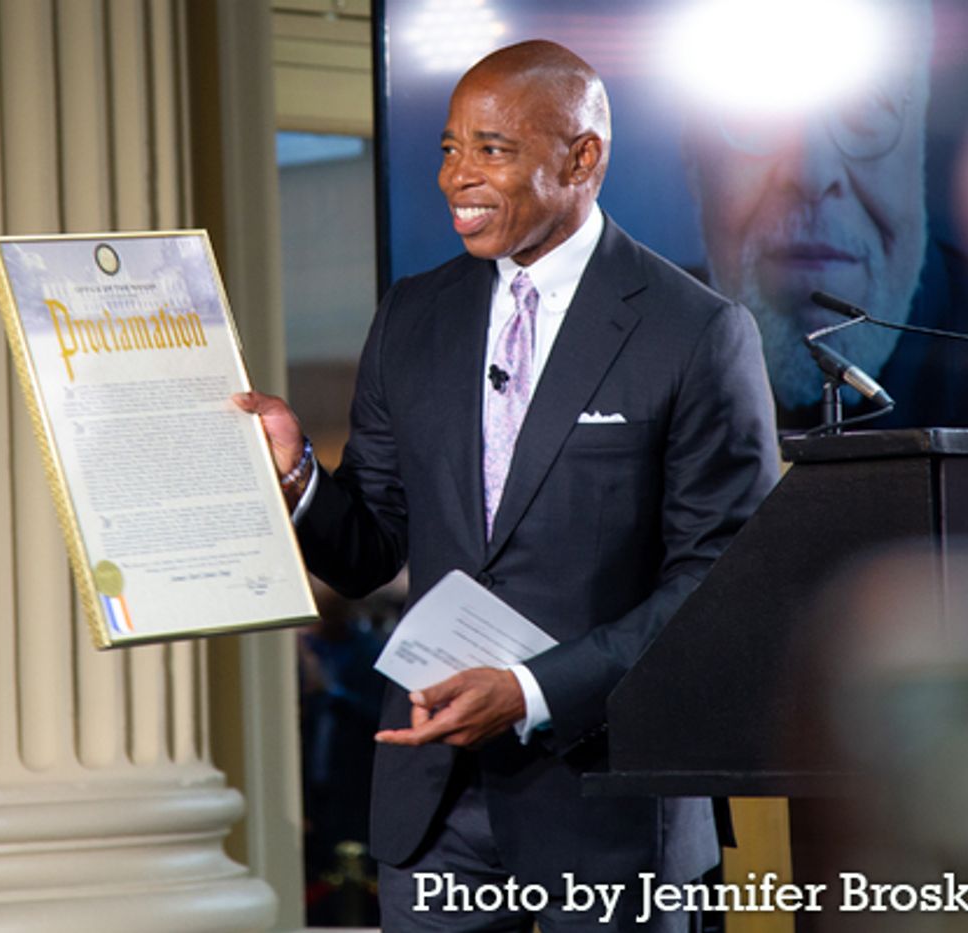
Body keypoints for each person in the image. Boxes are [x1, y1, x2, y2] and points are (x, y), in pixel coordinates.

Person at [238, 40, 778, 931]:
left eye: (491, 149)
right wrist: (297, 474)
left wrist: (529, 690)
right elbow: (370, 547)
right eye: (450, 148)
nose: (457, 177)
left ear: (582, 158)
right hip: (433, 808)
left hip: (611, 810)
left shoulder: (695, 333)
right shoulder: (413, 315)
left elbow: (719, 587)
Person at [679, 0, 968, 430]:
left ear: (920, 145)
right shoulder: (645, 334)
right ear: (693, 154)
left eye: (867, 109)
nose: (811, 175)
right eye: (755, 112)